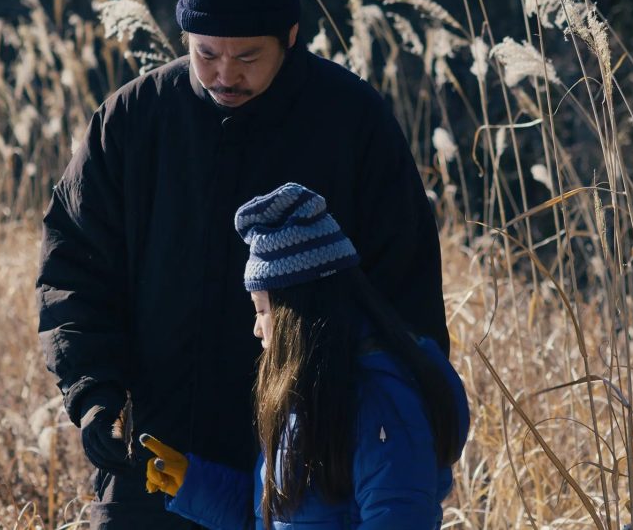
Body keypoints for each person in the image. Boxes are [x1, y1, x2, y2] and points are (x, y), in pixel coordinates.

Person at [36, 0, 448, 528]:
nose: (226, 74)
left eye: (249, 56)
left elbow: (403, 294)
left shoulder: (351, 121)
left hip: (309, 457)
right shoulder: (132, 120)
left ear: (292, 35)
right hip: (156, 455)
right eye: (206, 54)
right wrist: (94, 392)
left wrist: (393, 423)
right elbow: (73, 269)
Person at [141, 183, 469, 529]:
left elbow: (400, 517)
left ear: (294, 314)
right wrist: (194, 486)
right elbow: (276, 519)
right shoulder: (312, 394)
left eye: (263, 310)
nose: (256, 328)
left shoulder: (381, 401)